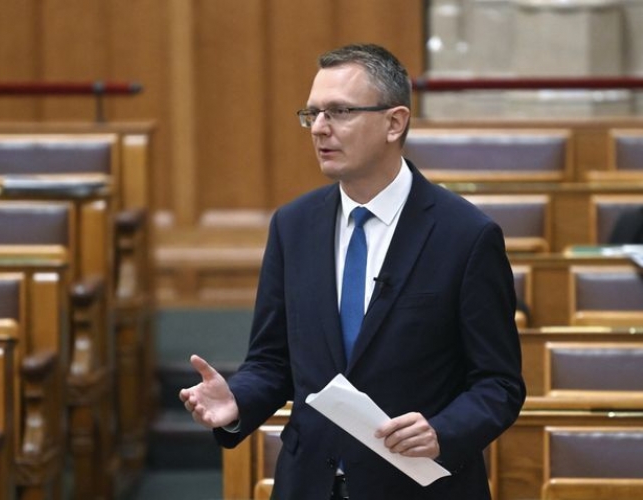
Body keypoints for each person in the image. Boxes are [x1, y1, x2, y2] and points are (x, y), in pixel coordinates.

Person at [179, 42, 526, 500]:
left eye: (339, 112)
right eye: (312, 113)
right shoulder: (293, 226)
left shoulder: (465, 235)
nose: (319, 128)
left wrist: (442, 431)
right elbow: (272, 360)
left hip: (416, 488)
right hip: (310, 485)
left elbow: (499, 384)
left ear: (394, 122)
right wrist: (237, 399)